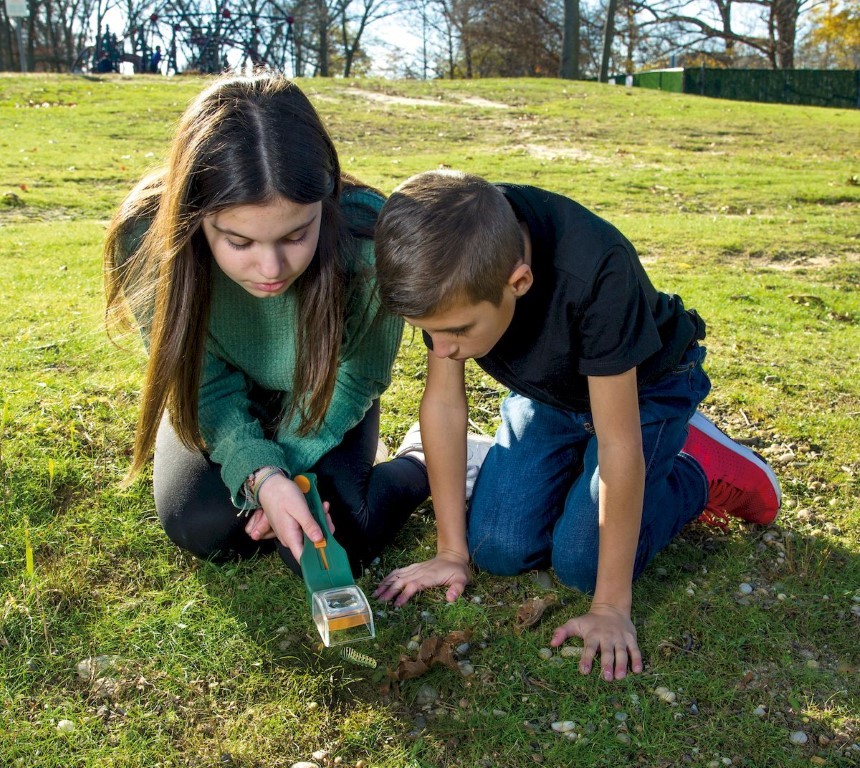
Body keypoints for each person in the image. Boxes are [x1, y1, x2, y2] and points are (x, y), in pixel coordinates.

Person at [372, 170, 781, 682]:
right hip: (551, 392)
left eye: (455, 331)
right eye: (428, 333)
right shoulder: (450, 254)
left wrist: (610, 606)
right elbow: (445, 404)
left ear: (518, 281)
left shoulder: (596, 269)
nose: (443, 347)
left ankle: (696, 470)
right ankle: (566, 471)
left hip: (642, 392)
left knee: (582, 561)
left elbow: (617, 442)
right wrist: (450, 551)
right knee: (497, 547)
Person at [103, 73, 433, 576]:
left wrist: (286, 468)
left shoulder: (369, 238)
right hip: (218, 397)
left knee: (339, 533)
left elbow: (356, 376)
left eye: (296, 234)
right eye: (240, 243)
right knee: (204, 524)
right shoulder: (147, 240)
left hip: (326, 393)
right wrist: (262, 477)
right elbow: (199, 383)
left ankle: (418, 460)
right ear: (196, 217)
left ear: (325, 199)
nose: (273, 269)